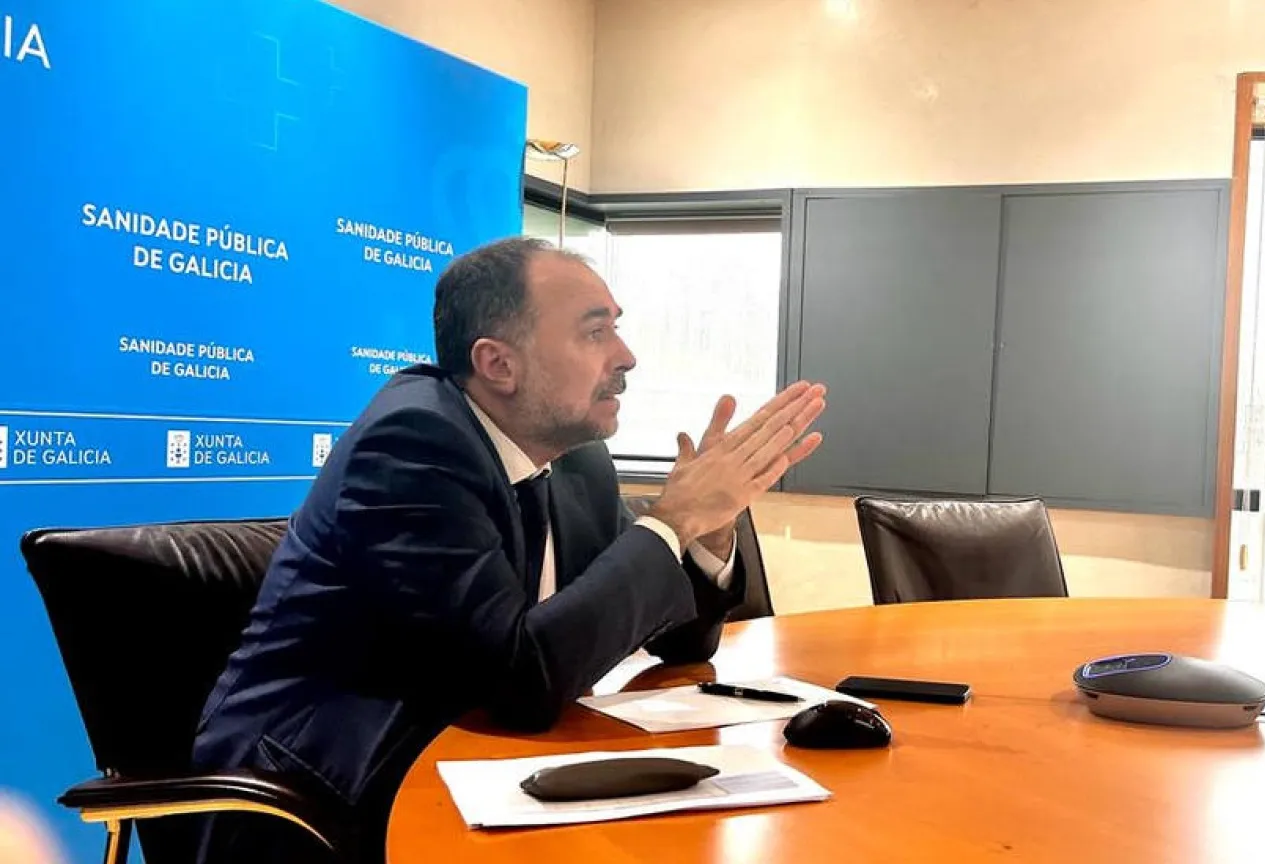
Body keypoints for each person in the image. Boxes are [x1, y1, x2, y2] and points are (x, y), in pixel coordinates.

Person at [190, 237, 826, 863]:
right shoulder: (413, 444)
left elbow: (681, 642)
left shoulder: (578, 460)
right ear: (498, 364)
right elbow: (518, 683)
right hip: (318, 790)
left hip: (482, 761)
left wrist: (706, 532)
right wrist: (672, 519)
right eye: (595, 332)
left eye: (617, 328)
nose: (626, 356)